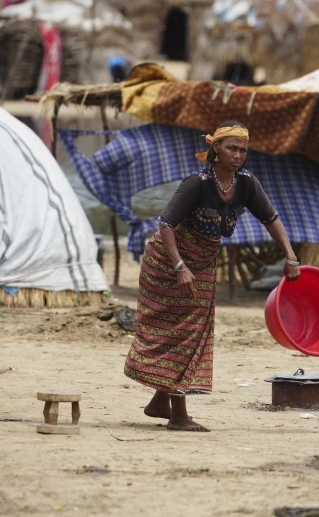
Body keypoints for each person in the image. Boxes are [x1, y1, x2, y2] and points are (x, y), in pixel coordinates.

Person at [123, 121, 301, 432]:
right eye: (232, 148)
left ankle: (160, 402)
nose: (238, 155)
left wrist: (290, 256)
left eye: (243, 150)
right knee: (183, 332)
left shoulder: (246, 184)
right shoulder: (198, 182)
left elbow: (271, 219)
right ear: (215, 149)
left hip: (202, 264)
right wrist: (180, 267)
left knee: (192, 332)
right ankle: (178, 415)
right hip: (167, 262)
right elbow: (166, 224)